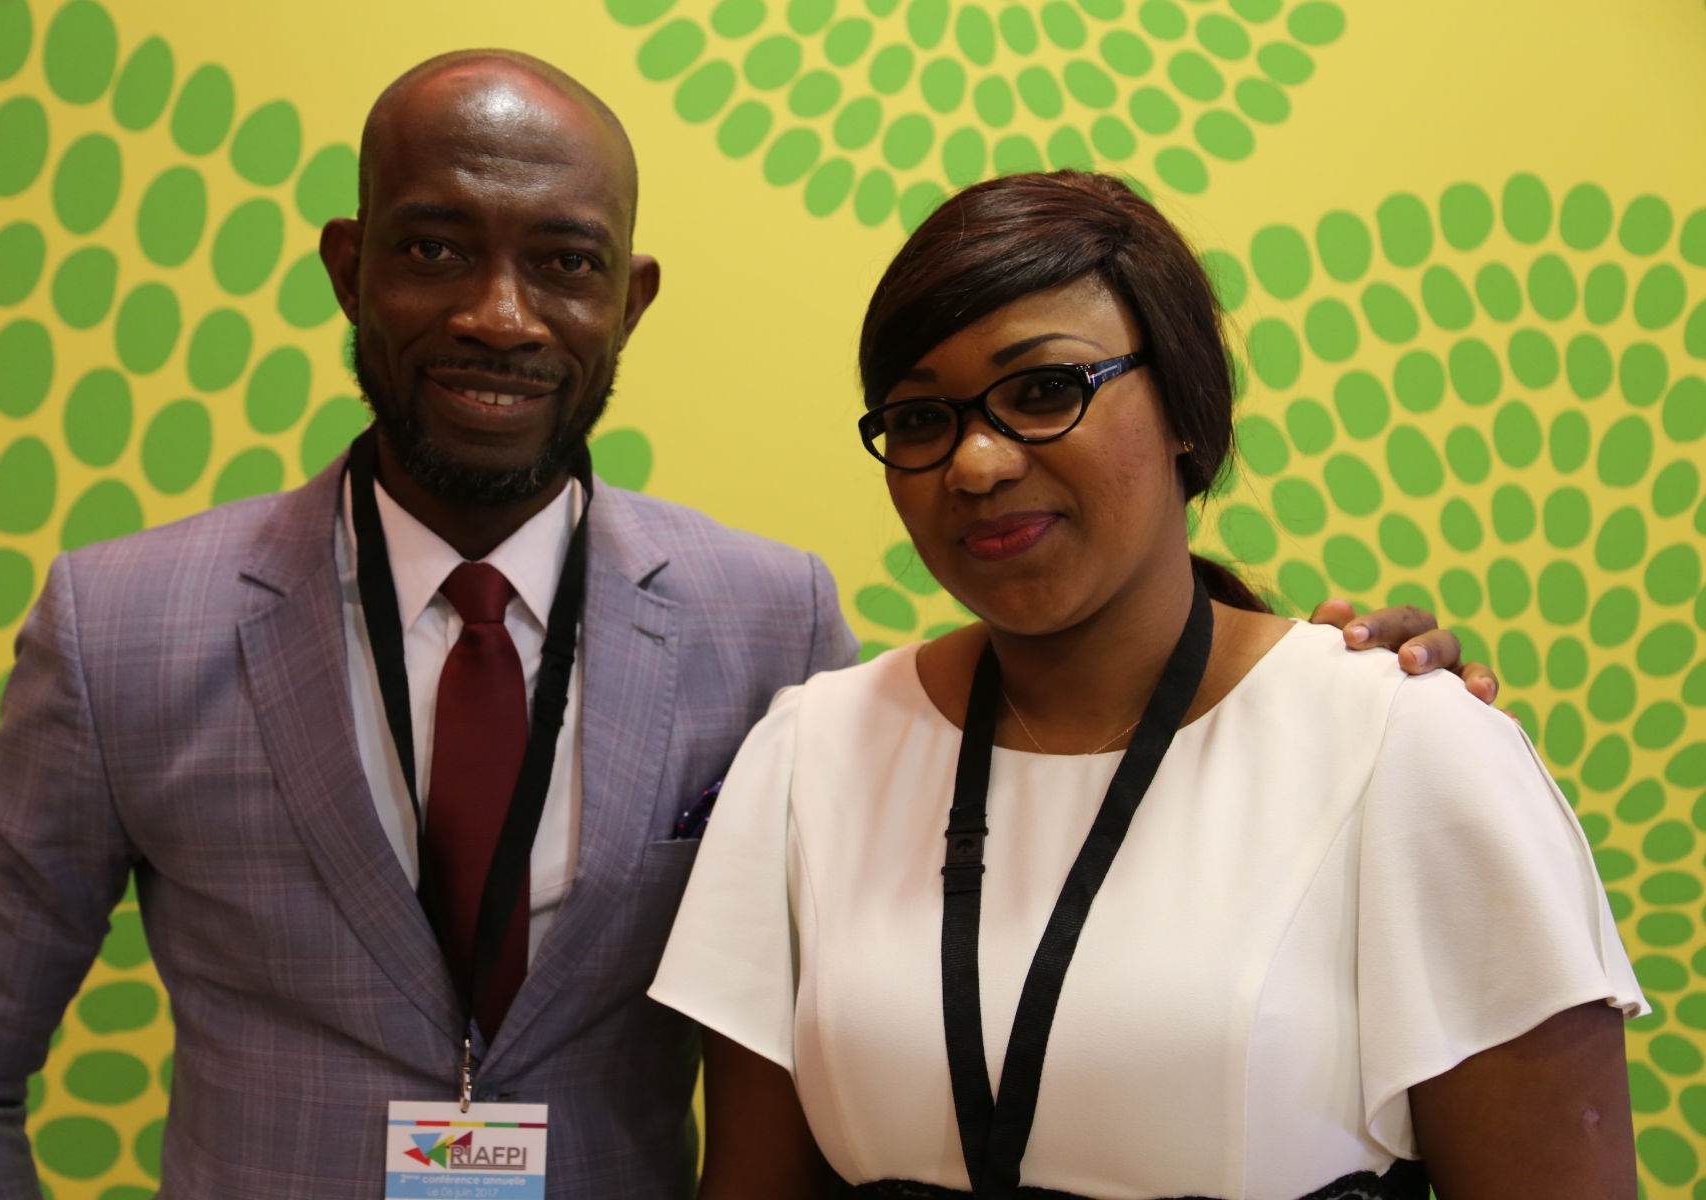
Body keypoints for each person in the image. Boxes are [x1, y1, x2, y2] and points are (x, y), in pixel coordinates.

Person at [0, 55, 1488, 1200]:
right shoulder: (123, 628)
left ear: (632, 300)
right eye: (437, 247)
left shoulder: (767, 620)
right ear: (350, 267)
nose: (499, 314)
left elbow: (1001, 813)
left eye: (564, 264)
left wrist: (1320, 687)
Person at [651, 171, 1642, 1200]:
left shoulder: (1404, 746)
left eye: (1045, 391)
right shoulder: (808, 753)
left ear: (1185, 406)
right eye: (920, 417)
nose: (976, 463)